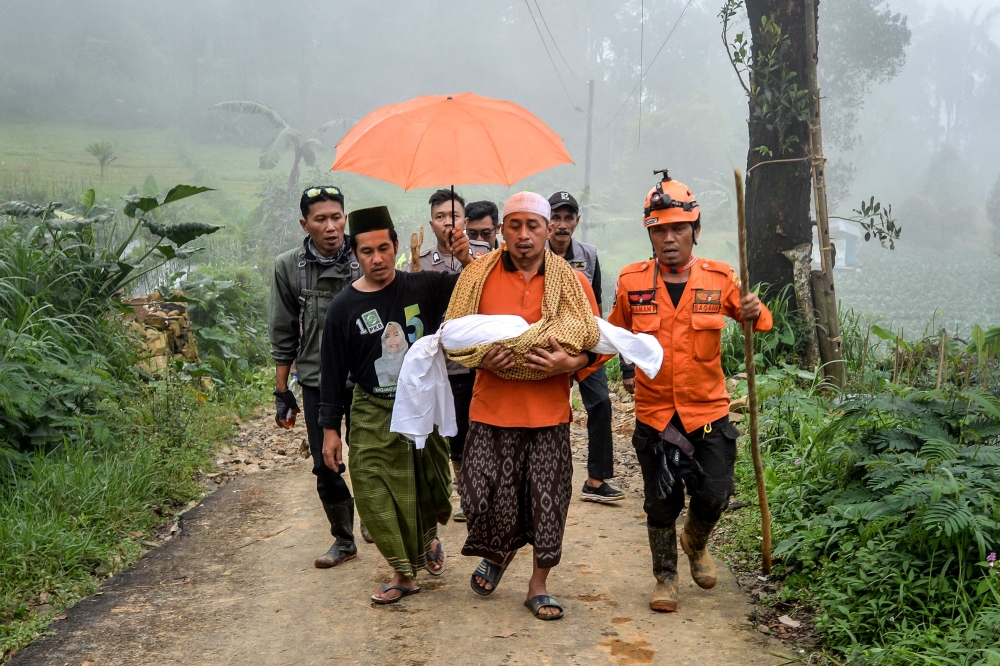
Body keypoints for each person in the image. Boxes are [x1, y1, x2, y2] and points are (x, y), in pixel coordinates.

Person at [607, 171, 772, 613]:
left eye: (679, 228)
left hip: (708, 411)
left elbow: (759, 321)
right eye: (659, 230)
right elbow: (611, 335)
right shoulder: (632, 282)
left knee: (716, 492)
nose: (669, 238)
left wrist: (755, 310)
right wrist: (573, 360)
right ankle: (665, 578)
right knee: (660, 502)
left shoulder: (720, 278)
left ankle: (695, 542)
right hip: (656, 414)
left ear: (695, 230)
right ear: (650, 234)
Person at [459, 191, 605, 621]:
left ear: (547, 231)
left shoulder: (572, 283)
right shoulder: (476, 277)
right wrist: (480, 356)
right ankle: (500, 552)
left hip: (547, 414)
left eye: (533, 226)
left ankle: (538, 583)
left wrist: (570, 361)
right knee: (482, 496)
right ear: (502, 230)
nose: (523, 235)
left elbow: (597, 343)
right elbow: (453, 335)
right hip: (490, 409)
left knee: (547, 501)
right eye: (515, 226)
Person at [318, 205, 472, 604]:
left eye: (384, 248)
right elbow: (332, 375)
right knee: (371, 489)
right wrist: (330, 431)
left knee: (426, 485)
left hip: (421, 408)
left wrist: (465, 255)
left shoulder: (425, 288)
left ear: (397, 246)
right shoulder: (343, 309)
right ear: (355, 254)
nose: (377, 258)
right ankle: (402, 573)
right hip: (371, 409)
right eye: (367, 252)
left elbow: (475, 289)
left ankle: (427, 542)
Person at [269, 185, 362, 569]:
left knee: (375, 455)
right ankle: (343, 539)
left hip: (366, 379)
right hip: (316, 381)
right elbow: (283, 330)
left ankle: (381, 522)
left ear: (346, 217)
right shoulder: (289, 266)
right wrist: (281, 392)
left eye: (337, 217)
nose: (330, 226)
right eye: (320, 219)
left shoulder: (364, 254)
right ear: (304, 224)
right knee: (326, 463)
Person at [412, 189, 492, 522]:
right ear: (432, 223)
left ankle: (484, 492)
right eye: (441, 216)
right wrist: (415, 265)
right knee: (456, 435)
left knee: (485, 429)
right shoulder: (422, 260)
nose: (448, 222)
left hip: (483, 358)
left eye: (454, 215)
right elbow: (415, 309)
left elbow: (492, 292)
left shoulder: (485, 253)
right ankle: (465, 492)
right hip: (447, 364)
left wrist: (467, 261)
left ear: (465, 220)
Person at [546, 191, 623, 504]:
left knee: (601, 403)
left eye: (568, 218)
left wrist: (601, 345)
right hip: (551, 345)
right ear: (546, 222)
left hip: (586, 346)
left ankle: (595, 479)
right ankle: (550, 477)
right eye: (556, 218)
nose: (562, 225)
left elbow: (598, 304)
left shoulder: (588, 255)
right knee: (553, 411)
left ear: (577, 221)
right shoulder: (536, 254)